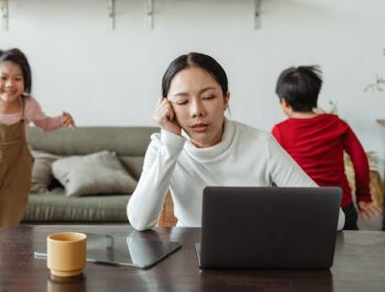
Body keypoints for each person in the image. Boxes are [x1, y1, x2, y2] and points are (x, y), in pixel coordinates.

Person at [127, 53, 345, 231]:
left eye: (209, 97)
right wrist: (171, 144)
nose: (197, 112)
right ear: (167, 106)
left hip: (254, 254)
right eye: (183, 101)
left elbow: (334, 218)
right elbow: (139, 221)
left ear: (226, 99)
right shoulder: (162, 146)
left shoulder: (261, 144)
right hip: (188, 258)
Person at [0, 48, 75, 238]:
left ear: (25, 82)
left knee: (9, 225)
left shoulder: (29, 105)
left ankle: (3, 264)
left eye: (17, 78)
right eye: (3, 78)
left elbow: (44, 123)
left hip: (16, 171)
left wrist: (60, 120)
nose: (10, 84)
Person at [272, 65, 381, 230]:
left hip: (301, 209)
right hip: (340, 206)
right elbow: (359, 158)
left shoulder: (280, 131)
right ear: (315, 96)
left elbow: (272, 170)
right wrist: (363, 195)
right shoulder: (337, 124)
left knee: (303, 254)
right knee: (348, 252)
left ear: (285, 102)